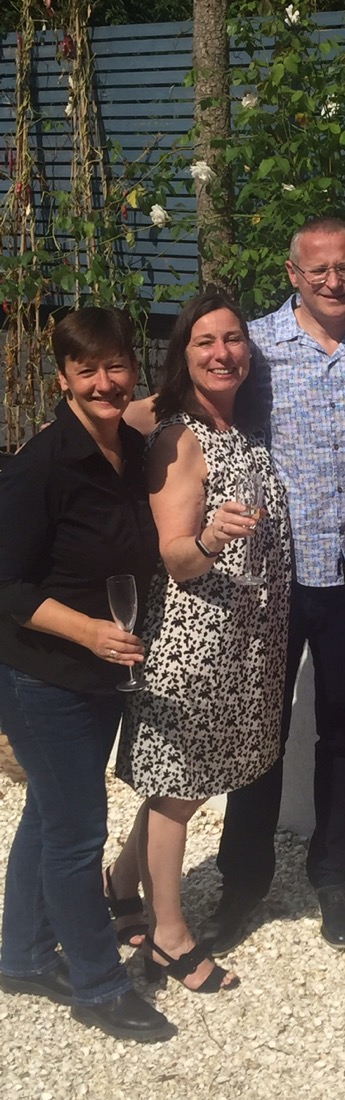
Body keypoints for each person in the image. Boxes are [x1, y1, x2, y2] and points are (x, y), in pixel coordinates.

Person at [195, 218, 345, 954]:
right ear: (293, 273)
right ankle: (242, 881)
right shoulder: (254, 346)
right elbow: (190, 404)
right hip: (275, 575)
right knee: (261, 730)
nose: (333, 281)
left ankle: (333, 875)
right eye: (318, 270)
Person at [0, 307, 174, 1042]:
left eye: (116, 365)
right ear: (64, 379)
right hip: (45, 677)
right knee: (78, 834)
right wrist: (90, 632)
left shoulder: (131, 449)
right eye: (86, 370)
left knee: (51, 814)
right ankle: (100, 986)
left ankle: (21, 956)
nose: (105, 382)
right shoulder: (43, 464)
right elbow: (7, 585)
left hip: (101, 674)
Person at [113, 291, 291, 992]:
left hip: (240, 645)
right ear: (183, 355)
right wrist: (213, 537)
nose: (223, 353)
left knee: (177, 786)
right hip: (192, 645)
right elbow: (177, 557)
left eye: (233, 339)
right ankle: (169, 937)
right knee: (178, 793)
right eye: (205, 342)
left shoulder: (239, 431)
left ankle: (120, 884)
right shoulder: (181, 438)